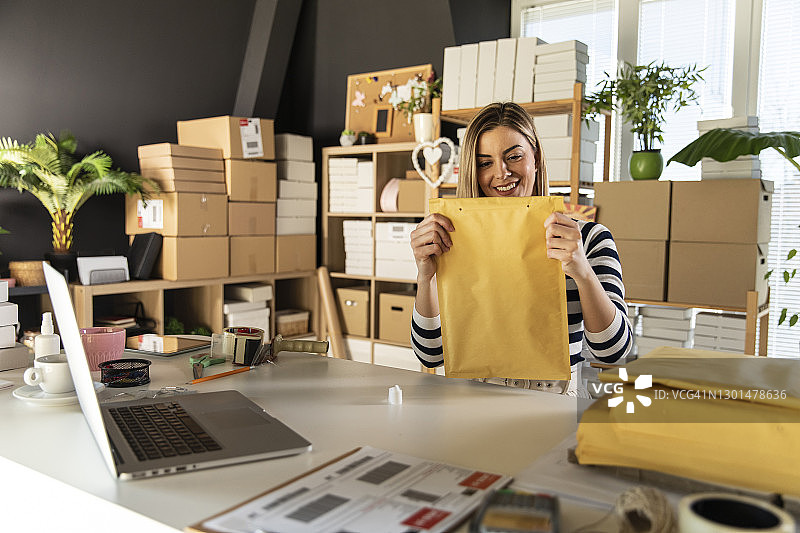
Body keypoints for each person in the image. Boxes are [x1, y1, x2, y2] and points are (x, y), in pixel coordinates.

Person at [409, 102, 632, 395]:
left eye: (514, 157)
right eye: (485, 163)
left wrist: (582, 271)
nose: (501, 173)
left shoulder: (589, 238)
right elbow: (430, 354)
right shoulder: (451, 238)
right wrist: (425, 276)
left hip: (556, 403)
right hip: (474, 401)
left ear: (535, 159)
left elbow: (613, 352)